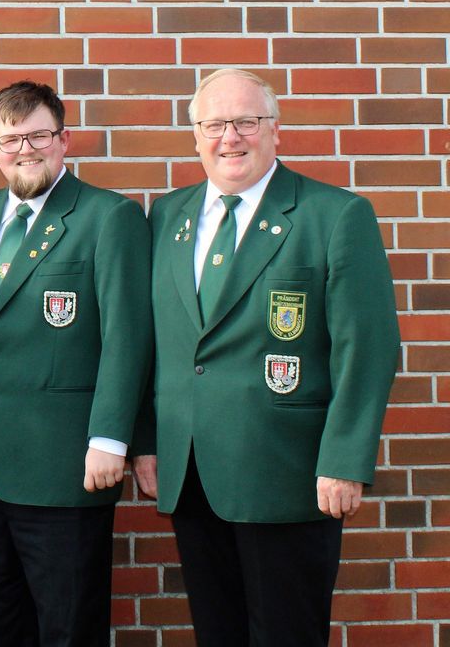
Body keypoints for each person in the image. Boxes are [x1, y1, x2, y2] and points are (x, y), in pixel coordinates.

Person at [132, 68, 400, 646]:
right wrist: (149, 441)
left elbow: (369, 348)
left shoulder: (335, 215)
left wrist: (346, 459)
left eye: (245, 122)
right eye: (214, 124)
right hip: (192, 470)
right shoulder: (167, 218)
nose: (230, 137)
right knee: (217, 633)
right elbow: (156, 342)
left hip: (289, 473)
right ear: (195, 136)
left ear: (274, 130)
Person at [0, 80, 152, 647]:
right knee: (1, 627)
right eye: (10, 140)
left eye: (38, 136)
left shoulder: (109, 217)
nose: (25, 150)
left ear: (65, 140)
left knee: (68, 628)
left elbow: (128, 338)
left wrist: (111, 439)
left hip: (65, 463)